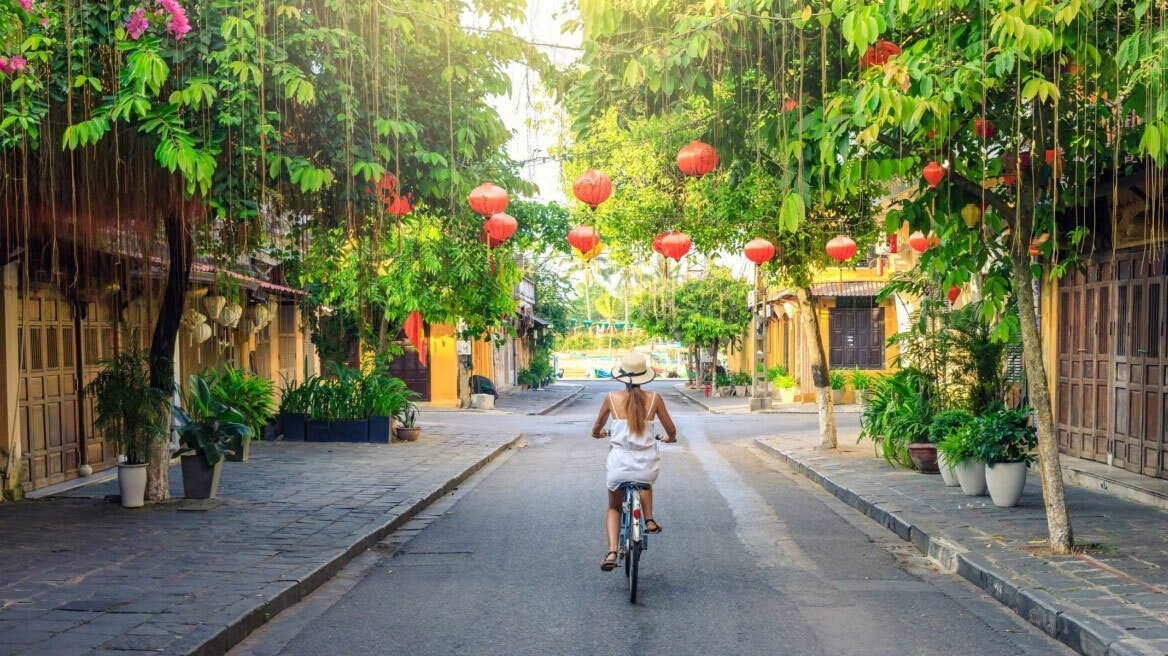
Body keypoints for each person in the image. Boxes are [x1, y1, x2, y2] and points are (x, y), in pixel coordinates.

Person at [591, 353, 677, 571]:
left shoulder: (611, 398)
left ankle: (612, 552)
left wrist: (600, 433)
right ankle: (648, 519)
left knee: (613, 507)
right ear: (644, 376)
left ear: (621, 376)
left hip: (619, 464)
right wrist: (670, 438)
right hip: (646, 463)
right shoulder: (655, 398)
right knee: (645, 482)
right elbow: (671, 431)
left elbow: (596, 429)